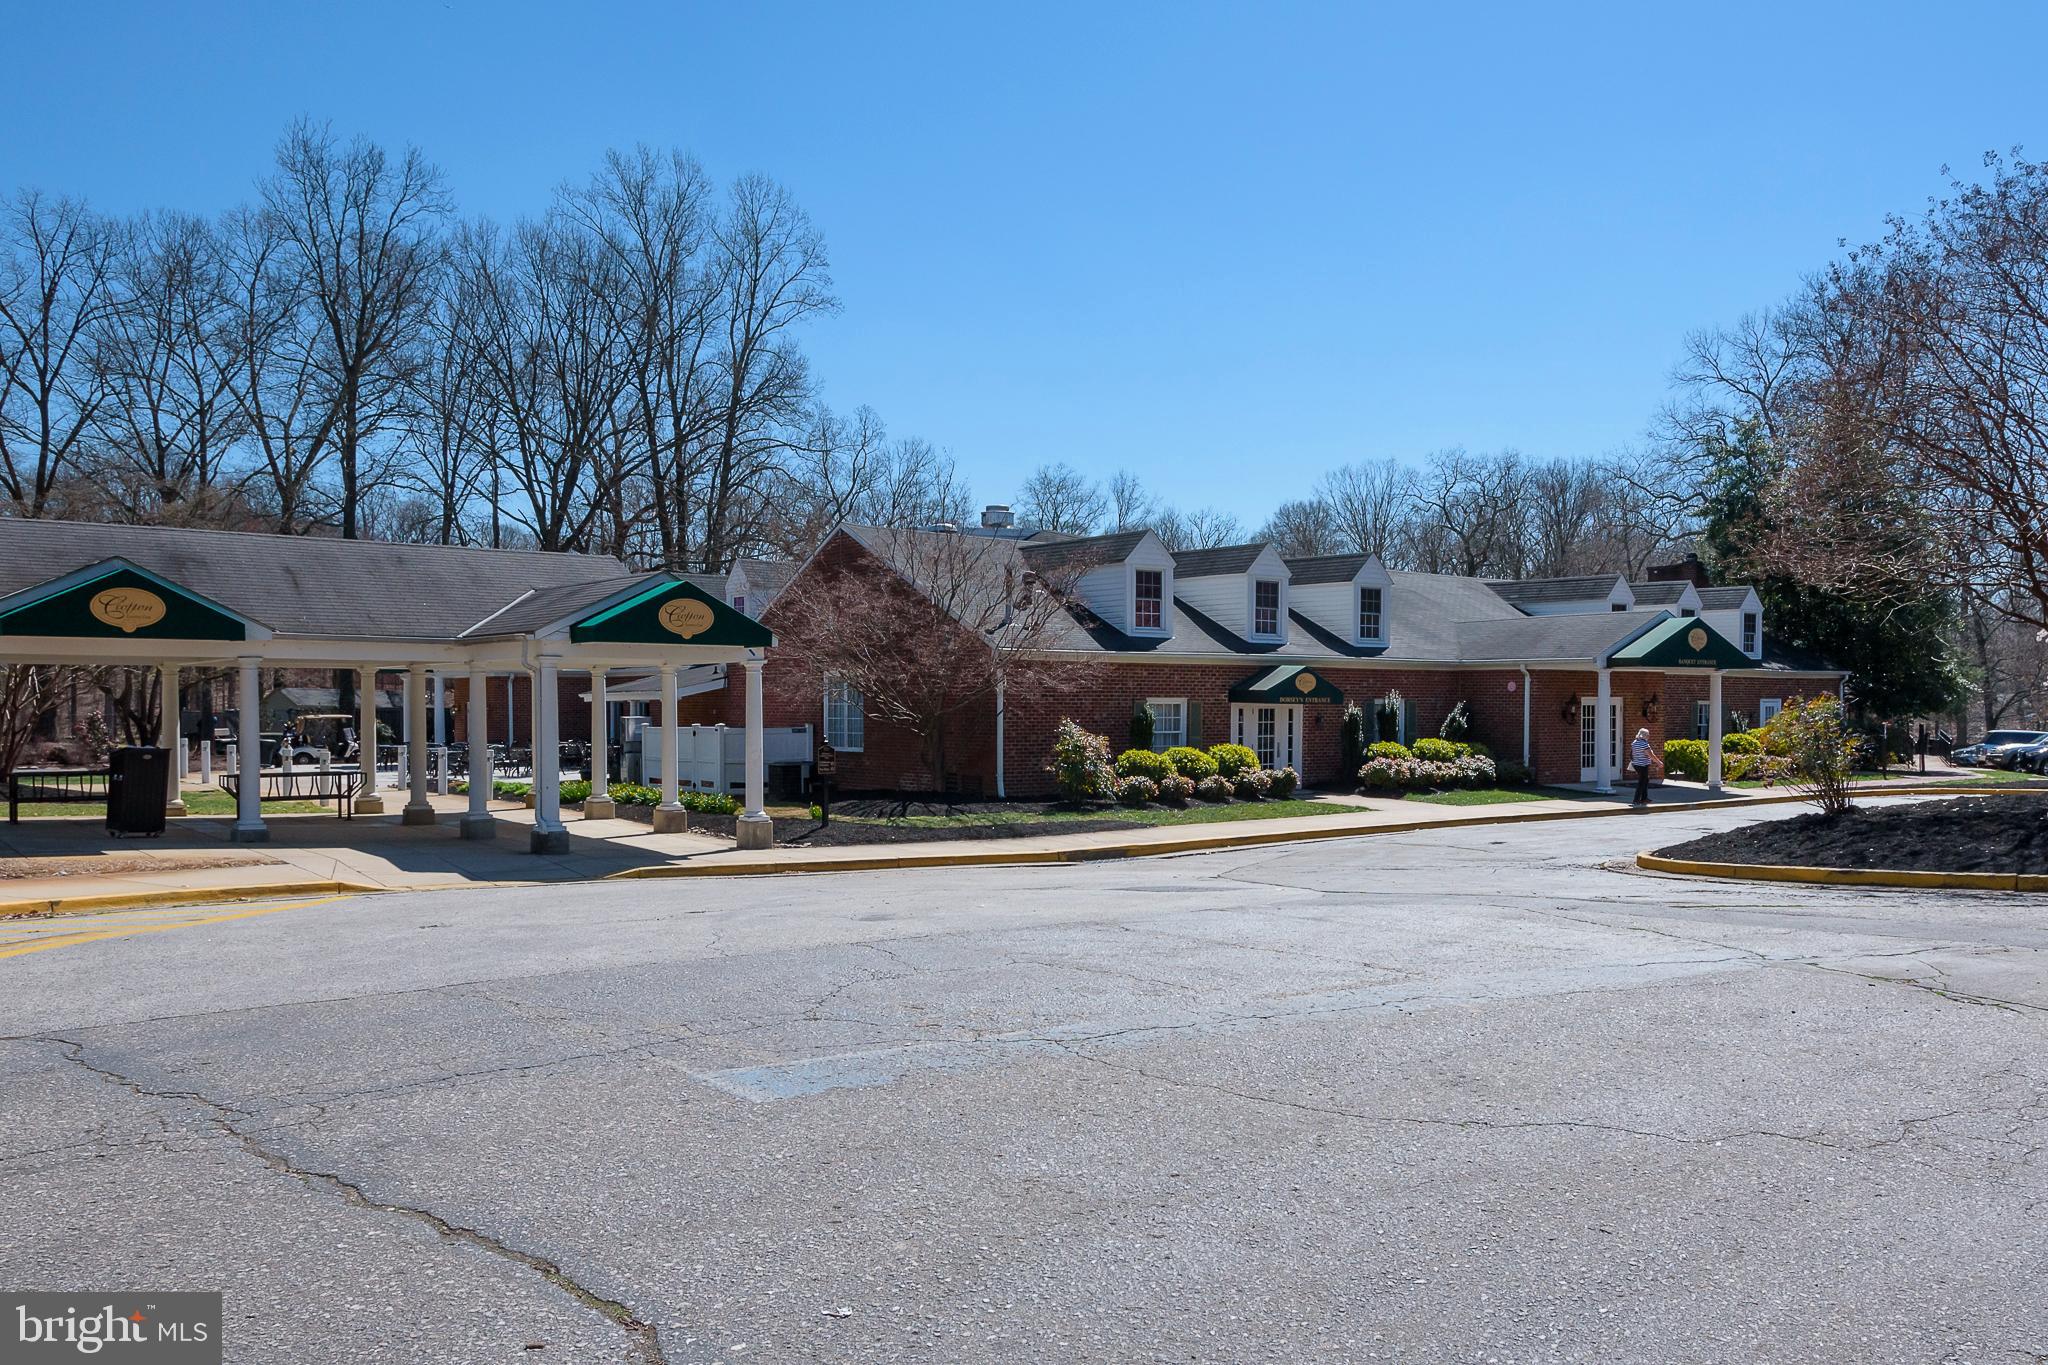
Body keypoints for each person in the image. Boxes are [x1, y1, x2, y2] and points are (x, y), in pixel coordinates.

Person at [1629, 727, 1661, 807]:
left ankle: (1644, 798)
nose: (1649, 736)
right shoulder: (1644, 744)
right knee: (1642, 782)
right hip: (1643, 765)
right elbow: (1651, 755)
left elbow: (1632, 753)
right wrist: (1659, 762)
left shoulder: (1634, 742)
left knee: (1645, 780)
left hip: (1636, 764)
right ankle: (1636, 800)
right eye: (1648, 735)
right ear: (1644, 735)